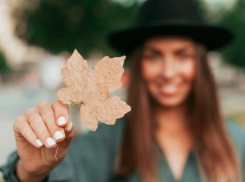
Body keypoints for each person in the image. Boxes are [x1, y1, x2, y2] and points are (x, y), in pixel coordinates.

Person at [1, 0, 245, 181]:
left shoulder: (238, 141)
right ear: (138, 65)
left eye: (183, 55)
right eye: (153, 56)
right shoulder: (109, 141)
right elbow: (61, 171)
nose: (168, 72)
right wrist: (31, 171)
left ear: (200, 64)